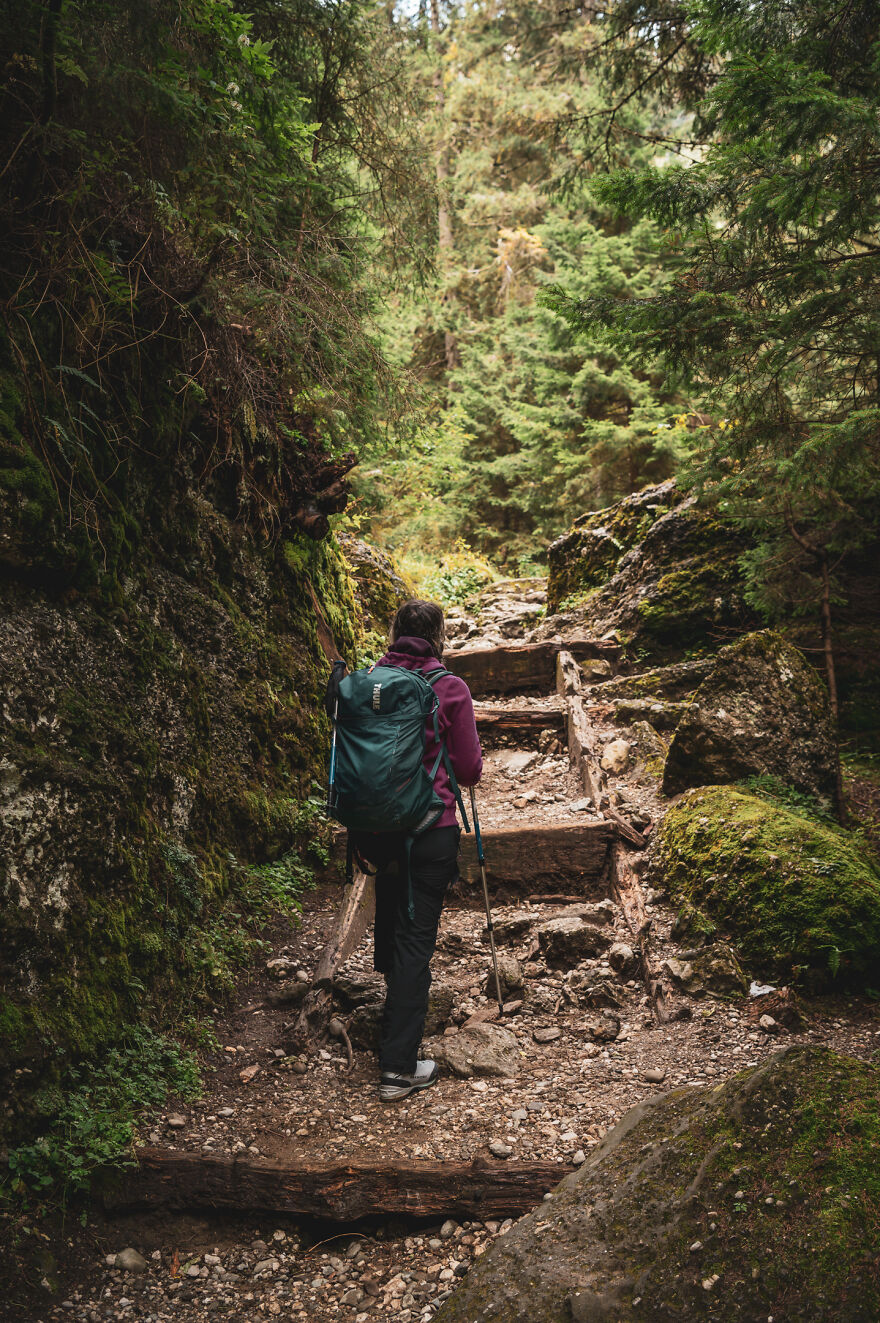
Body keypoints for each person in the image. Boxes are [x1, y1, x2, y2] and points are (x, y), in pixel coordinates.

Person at [352, 599, 482, 1102]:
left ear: (394, 633)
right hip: (431, 829)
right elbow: (468, 771)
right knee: (414, 943)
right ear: (438, 636)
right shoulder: (449, 688)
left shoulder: (369, 683)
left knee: (392, 920)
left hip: (376, 829)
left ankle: (392, 1019)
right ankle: (398, 1069)